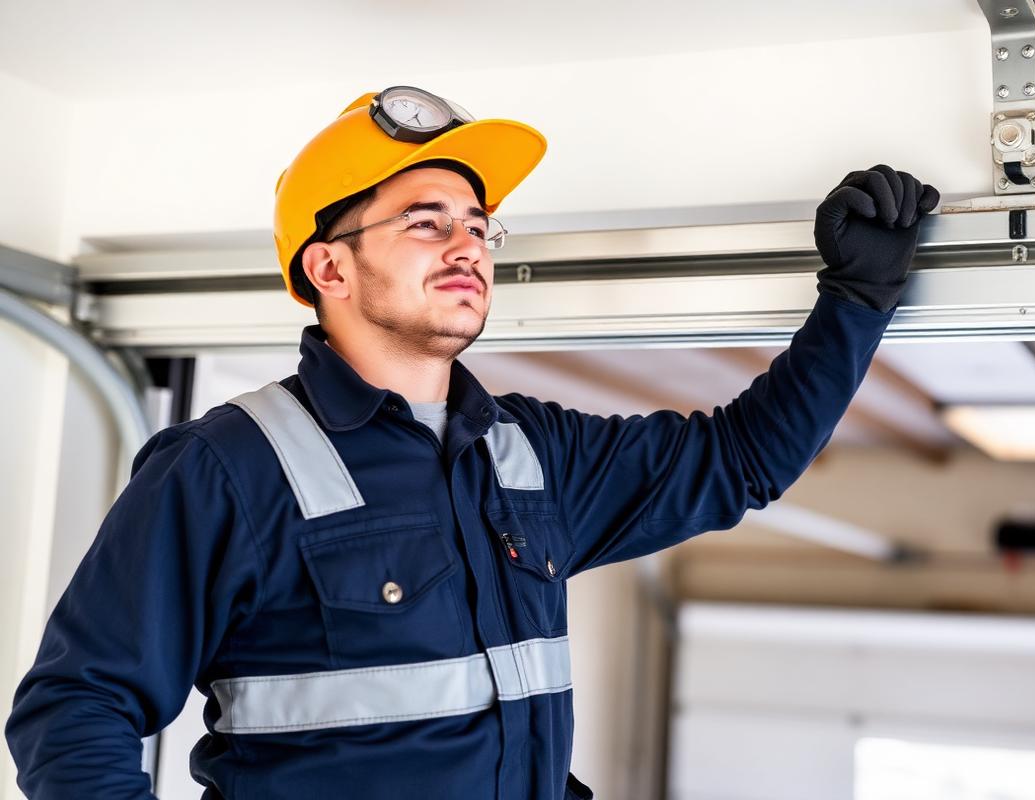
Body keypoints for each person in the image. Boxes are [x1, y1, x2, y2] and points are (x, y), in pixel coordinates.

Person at [6, 85, 938, 799]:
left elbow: (741, 460)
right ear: (329, 266)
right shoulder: (229, 467)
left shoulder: (530, 454)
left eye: (478, 226)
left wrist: (855, 301)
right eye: (425, 223)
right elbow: (74, 708)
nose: (468, 247)